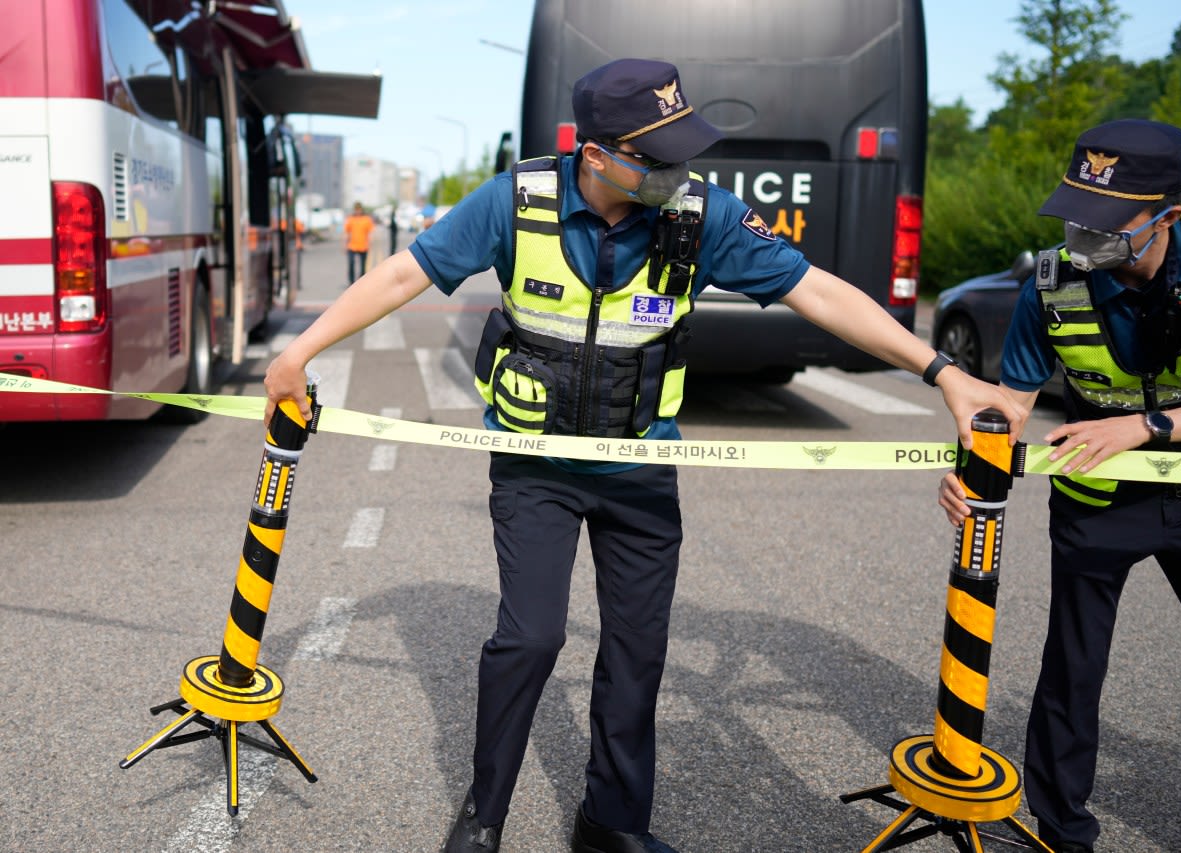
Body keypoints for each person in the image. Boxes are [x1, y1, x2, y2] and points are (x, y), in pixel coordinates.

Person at [265, 59, 1027, 853]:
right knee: (531, 637)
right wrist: (302, 352)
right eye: (656, 156)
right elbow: (400, 273)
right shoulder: (516, 201)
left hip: (639, 470)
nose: (679, 170)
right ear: (597, 155)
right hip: (536, 465)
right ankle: (483, 814)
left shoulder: (700, 215)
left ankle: (613, 823)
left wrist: (943, 374)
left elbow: (819, 292)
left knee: (637, 650)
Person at [938, 119, 1181, 853]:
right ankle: (1063, 832)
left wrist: (1145, 427)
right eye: (1075, 210)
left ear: (1167, 216)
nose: (1081, 233)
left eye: (1104, 219)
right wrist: (969, 465)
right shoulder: (1052, 282)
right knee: (1074, 664)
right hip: (1096, 501)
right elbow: (1011, 405)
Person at [344, 201, 375, 284]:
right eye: (356, 209)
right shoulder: (350, 219)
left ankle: (361, 282)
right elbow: (347, 233)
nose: (357, 211)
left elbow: (370, 233)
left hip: (363, 245)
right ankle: (351, 281)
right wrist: (344, 245)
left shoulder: (366, 219)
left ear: (361, 210)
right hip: (352, 246)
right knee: (351, 263)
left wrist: (370, 244)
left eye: (359, 209)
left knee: (363, 266)